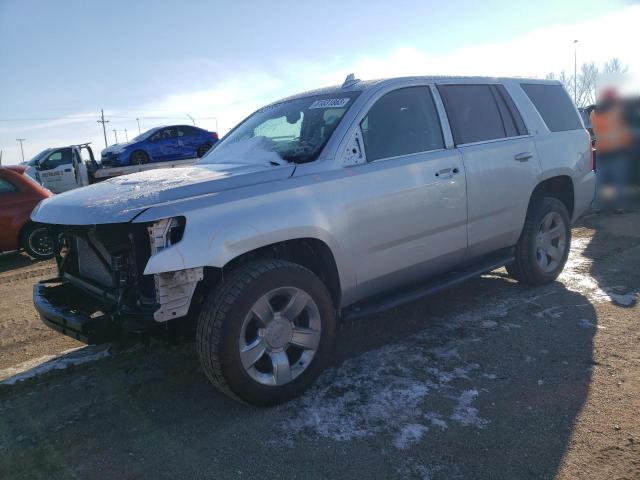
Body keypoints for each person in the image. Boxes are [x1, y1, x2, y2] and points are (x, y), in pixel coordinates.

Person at [591, 88, 633, 211]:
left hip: (602, 151)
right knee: (619, 181)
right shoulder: (617, 112)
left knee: (600, 181)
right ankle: (619, 206)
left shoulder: (594, 113)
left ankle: (597, 206)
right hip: (617, 152)